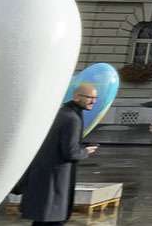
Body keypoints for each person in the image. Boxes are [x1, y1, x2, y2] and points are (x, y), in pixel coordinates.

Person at [20, 84, 99, 225]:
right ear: (76, 97)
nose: (93, 101)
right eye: (89, 97)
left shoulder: (61, 113)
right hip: (56, 183)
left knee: (41, 221)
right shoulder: (73, 119)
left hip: (42, 179)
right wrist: (85, 151)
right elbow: (70, 152)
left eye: (95, 98)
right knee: (53, 220)